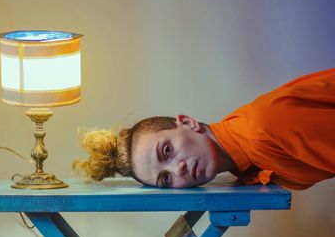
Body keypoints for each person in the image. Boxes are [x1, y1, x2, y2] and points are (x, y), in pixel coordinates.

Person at [72, 68, 335, 190]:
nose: (178, 170)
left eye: (167, 151)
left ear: (188, 123)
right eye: (166, 179)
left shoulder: (266, 127)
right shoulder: (245, 160)